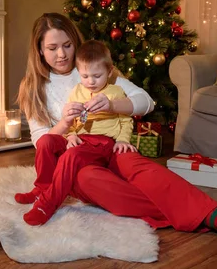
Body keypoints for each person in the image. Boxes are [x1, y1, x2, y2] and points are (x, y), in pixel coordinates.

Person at [16, 13, 217, 260]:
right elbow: (42, 142)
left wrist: (113, 105)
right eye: (52, 48)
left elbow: (145, 102)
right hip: (72, 160)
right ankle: (210, 217)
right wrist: (64, 126)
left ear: (75, 42)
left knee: (142, 168)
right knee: (98, 184)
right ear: (39, 50)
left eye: (67, 45)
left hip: (109, 145)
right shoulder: (33, 86)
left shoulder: (95, 67)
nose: (61, 54)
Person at [22, 40, 136, 226]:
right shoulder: (77, 91)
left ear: (109, 71)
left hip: (102, 143)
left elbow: (125, 120)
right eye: (84, 76)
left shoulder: (115, 92)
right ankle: (41, 189)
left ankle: (48, 203)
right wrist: (71, 135)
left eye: (96, 76)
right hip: (81, 139)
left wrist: (122, 140)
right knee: (46, 141)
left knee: (71, 155)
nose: (90, 81)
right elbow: (75, 121)